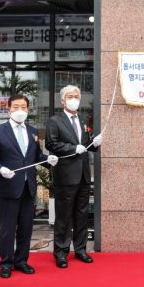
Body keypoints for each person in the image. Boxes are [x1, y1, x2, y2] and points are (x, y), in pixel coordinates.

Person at [0, 94, 58, 278]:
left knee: (26, 227)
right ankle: (6, 263)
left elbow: (36, 158)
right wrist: (0, 168)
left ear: (28, 109)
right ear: (8, 109)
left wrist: (49, 160)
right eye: (16, 107)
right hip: (9, 186)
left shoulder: (33, 131)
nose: (20, 110)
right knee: (8, 228)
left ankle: (21, 261)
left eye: (24, 107)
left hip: (29, 187)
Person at [45, 85, 101, 268]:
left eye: (76, 96)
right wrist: (71, 148)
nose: (74, 99)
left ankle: (80, 249)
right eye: (70, 96)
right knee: (64, 216)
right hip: (65, 175)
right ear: (63, 100)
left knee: (81, 215)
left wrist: (94, 143)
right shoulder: (55, 120)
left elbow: (85, 145)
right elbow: (51, 144)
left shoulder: (82, 119)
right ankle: (60, 252)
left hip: (84, 175)